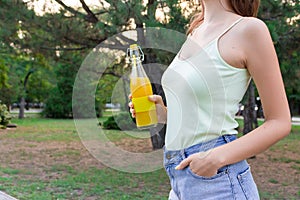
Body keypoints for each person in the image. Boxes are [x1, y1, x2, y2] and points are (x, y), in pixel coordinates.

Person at [129, 0, 291, 199]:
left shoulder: (249, 29)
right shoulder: (195, 32)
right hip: (179, 179)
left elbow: (280, 122)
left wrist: (215, 157)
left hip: (218, 182)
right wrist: (163, 114)